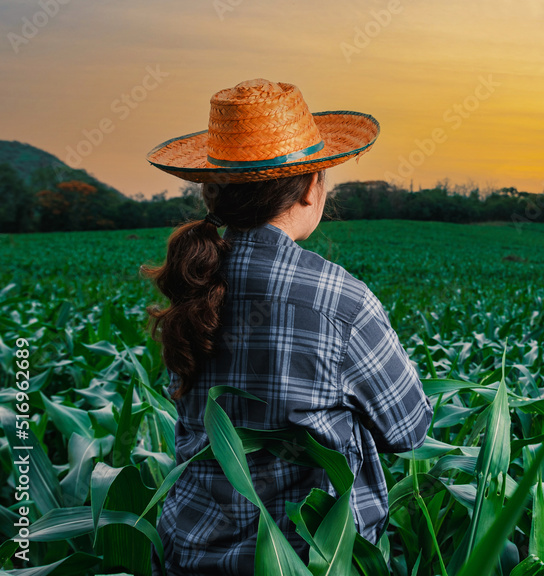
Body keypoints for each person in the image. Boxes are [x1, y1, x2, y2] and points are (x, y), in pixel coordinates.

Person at [142, 78, 433, 575]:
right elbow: (408, 429)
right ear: (307, 189)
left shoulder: (193, 282)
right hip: (307, 561)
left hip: (190, 556)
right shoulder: (340, 300)